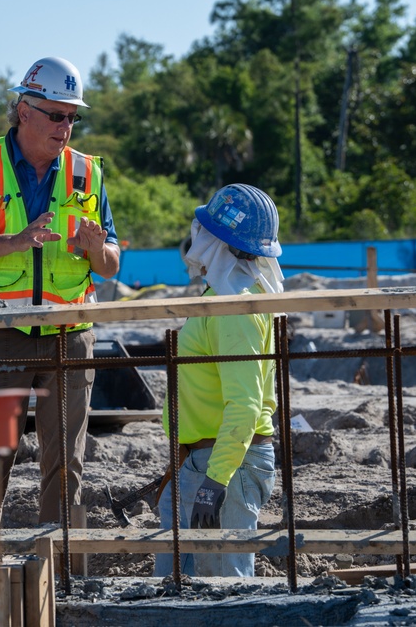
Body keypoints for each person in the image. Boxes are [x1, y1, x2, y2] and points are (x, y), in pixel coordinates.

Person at [0, 56, 121, 526]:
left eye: (72, 117)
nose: (66, 126)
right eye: (57, 114)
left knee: (67, 465)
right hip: (1, 332)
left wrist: (97, 251)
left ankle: (62, 571)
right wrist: (15, 241)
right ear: (24, 111)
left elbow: (111, 263)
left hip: (71, 331)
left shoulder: (88, 173)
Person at [153, 183, 282, 578]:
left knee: (223, 590)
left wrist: (215, 481)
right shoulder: (227, 298)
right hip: (207, 459)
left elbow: (244, 406)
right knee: (182, 586)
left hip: (227, 463)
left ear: (217, 241)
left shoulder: (234, 309)